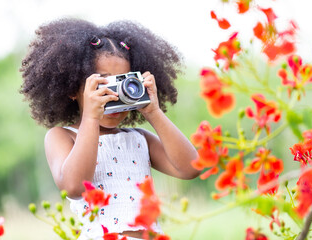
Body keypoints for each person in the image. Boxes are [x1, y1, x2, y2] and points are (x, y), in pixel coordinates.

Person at [20, 18, 200, 240]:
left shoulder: (138, 139)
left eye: (123, 82)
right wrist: (91, 117)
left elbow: (191, 168)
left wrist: (153, 111)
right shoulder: (63, 136)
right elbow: (76, 186)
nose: (114, 94)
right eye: (102, 84)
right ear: (72, 89)